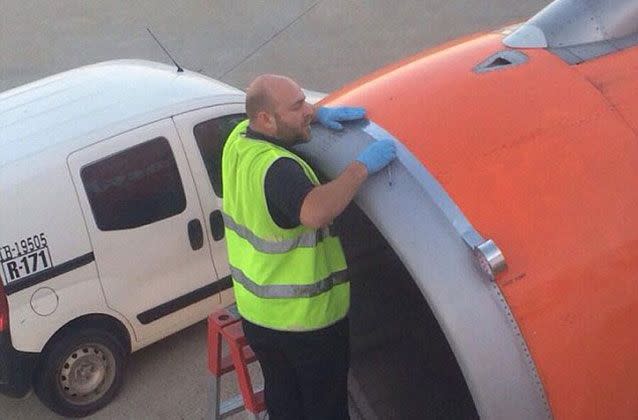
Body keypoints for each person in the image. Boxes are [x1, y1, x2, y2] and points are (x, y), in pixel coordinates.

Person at [221, 74, 396, 420]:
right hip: (305, 324)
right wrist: (361, 167)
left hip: (258, 315)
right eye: (297, 106)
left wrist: (316, 114)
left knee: (284, 401)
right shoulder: (279, 170)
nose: (307, 111)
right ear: (265, 120)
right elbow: (316, 211)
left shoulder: (238, 141)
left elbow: (274, 117)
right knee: (325, 408)